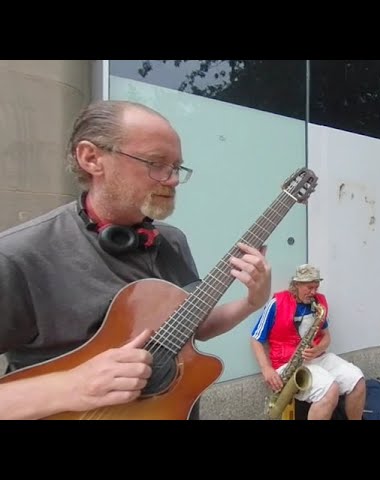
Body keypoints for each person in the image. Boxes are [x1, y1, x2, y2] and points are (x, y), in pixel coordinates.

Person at [0, 99, 271, 420]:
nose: (171, 179)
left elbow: (190, 329)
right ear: (91, 158)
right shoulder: (18, 255)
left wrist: (252, 303)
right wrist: (73, 385)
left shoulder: (172, 241)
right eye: (156, 163)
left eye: (176, 167)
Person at [250, 264, 366, 420]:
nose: (313, 292)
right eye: (309, 287)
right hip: (287, 364)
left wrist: (318, 349)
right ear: (296, 284)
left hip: (316, 357)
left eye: (316, 287)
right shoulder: (277, 303)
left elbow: (326, 336)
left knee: (357, 380)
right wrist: (266, 369)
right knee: (330, 391)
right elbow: (256, 339)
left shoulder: (319, 303)